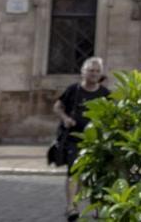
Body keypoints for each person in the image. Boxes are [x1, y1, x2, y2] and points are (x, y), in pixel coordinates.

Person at [52, 57, 110, 221]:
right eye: (91, 70)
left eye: (97, 71)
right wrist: (65, 119)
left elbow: (113, 114)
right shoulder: (74, 89)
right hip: (74, 139)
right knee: (74, 173)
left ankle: (98, 207)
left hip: (97, 142)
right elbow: (57, 106)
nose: (94, 74)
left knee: (98, 175)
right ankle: (71, 207)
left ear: (100, 74)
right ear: (83, 72)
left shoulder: (105, 93)